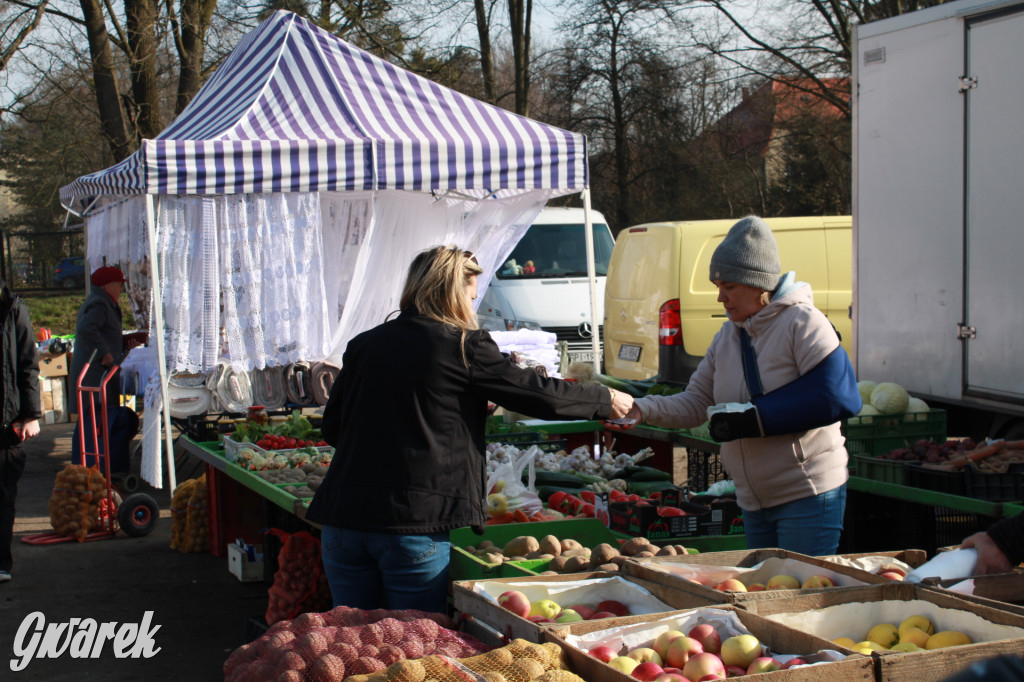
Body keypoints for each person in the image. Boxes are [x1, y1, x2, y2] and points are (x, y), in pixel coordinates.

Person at [306, 245, 633, 613]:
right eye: (472, 296)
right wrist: (605, 399)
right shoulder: (464, 346)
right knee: (413, 652)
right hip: (413, 525)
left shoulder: (364, 344)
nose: (473, 307)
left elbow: (333, 428)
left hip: (343, 522)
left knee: (351, 647)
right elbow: (537, 393)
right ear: (452, 292)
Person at [615, 216, 858, 556]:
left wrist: (754, 418)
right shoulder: (727, 337)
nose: (720, 298)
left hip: (807, 494)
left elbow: (838, 395)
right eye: (718, 287)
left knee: (797, 594)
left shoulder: (803, 323)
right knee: (764, 593)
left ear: (758, 284)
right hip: (753, 502)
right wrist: (639, 408)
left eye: (728, 287)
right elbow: (696, 402)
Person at [69, 266, 138, 473]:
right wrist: (106, 355)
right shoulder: (100, 304)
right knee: (95, 421)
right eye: (119, 285)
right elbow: (87, 329)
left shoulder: (101, 303)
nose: (121, 290)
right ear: (108, 286)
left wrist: (123, 344)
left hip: (97, 375)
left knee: (94, 421)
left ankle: (91, 466)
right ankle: (91, 468)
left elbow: (101, 332)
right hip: (95, 377)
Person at [0, 276, 42, 582]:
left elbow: (29, 362)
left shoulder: (13, 309)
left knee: (3, 494)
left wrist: (31, 414)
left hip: (7, 419)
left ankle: (2, 562)